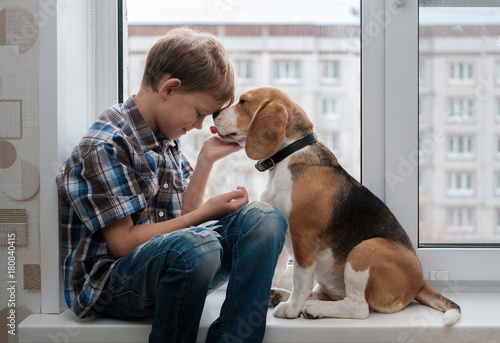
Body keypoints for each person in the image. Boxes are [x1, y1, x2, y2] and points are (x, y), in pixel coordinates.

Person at [56, 27, 287, 343]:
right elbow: (123, 244)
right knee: (196, 246)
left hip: (178, 262)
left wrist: (205, 160)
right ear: (169, 88)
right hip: (112, 283)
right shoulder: (107, 145)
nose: (197, 126)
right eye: (198, 113)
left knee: (265, 218)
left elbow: (183, 217)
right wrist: (204, 214)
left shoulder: (164, 138)